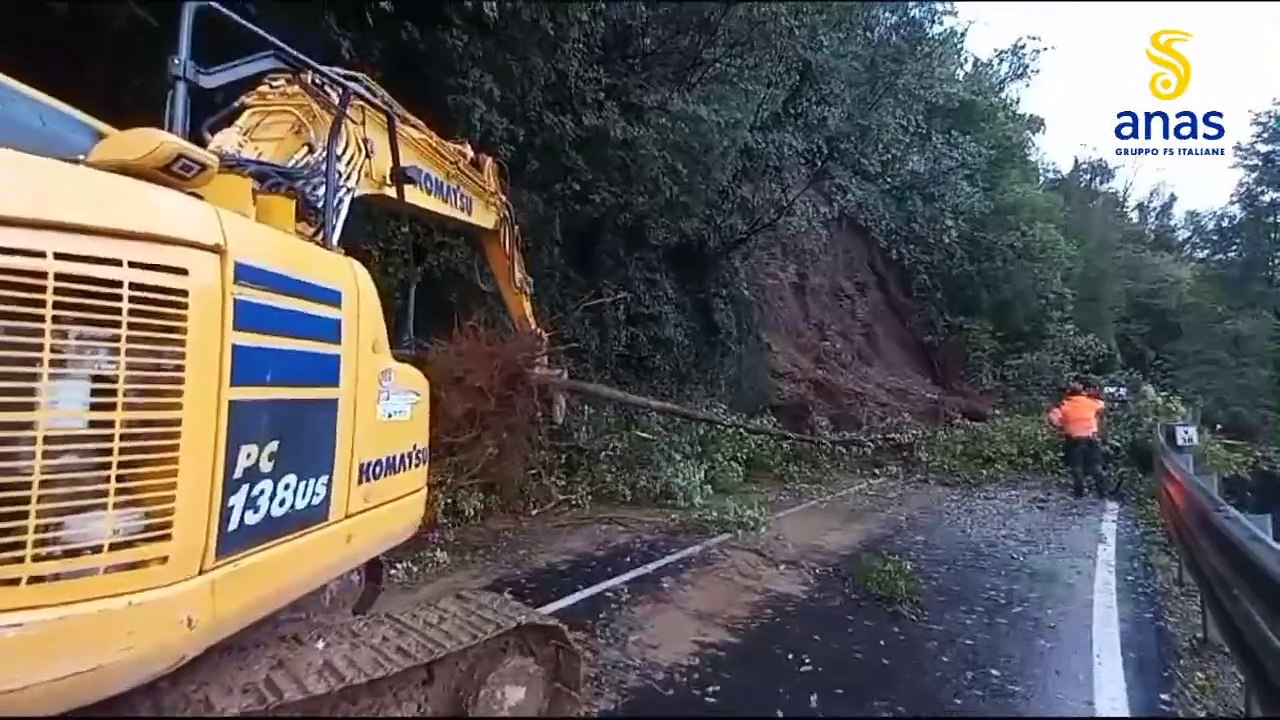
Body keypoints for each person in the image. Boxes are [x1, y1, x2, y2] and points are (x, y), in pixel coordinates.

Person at [1047, 379, 1107, 499]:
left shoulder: (1063, 405)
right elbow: (1102, 405)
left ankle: (1079, 493)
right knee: (1096, 466)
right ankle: (1102, 493)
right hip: (1091, 438)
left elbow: (1054, 420)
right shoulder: (1090, 402)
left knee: (1076, 466)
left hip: (1074, 440)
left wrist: (1064, 422)